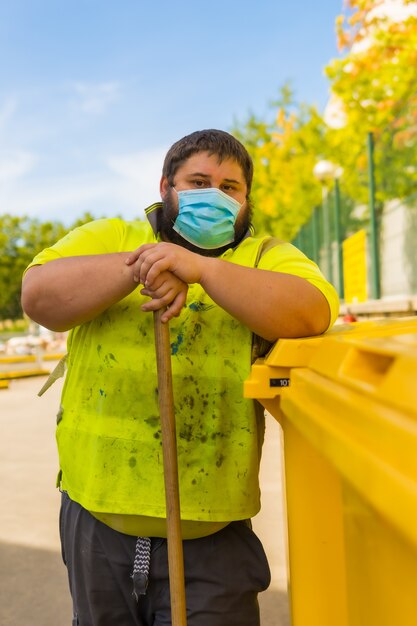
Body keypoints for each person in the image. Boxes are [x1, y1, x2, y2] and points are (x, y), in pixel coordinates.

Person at [22, 129, 339, 626]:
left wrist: (200, 270)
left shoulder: (264, 257)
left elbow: (312, 311)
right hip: (97, 518)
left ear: (246, 199)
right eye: (198, 181)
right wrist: (142, 266)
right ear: (166, 186)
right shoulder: (114, 236)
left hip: (213, 535)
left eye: (231, 187)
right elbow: (39, 296)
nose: (215, 194)